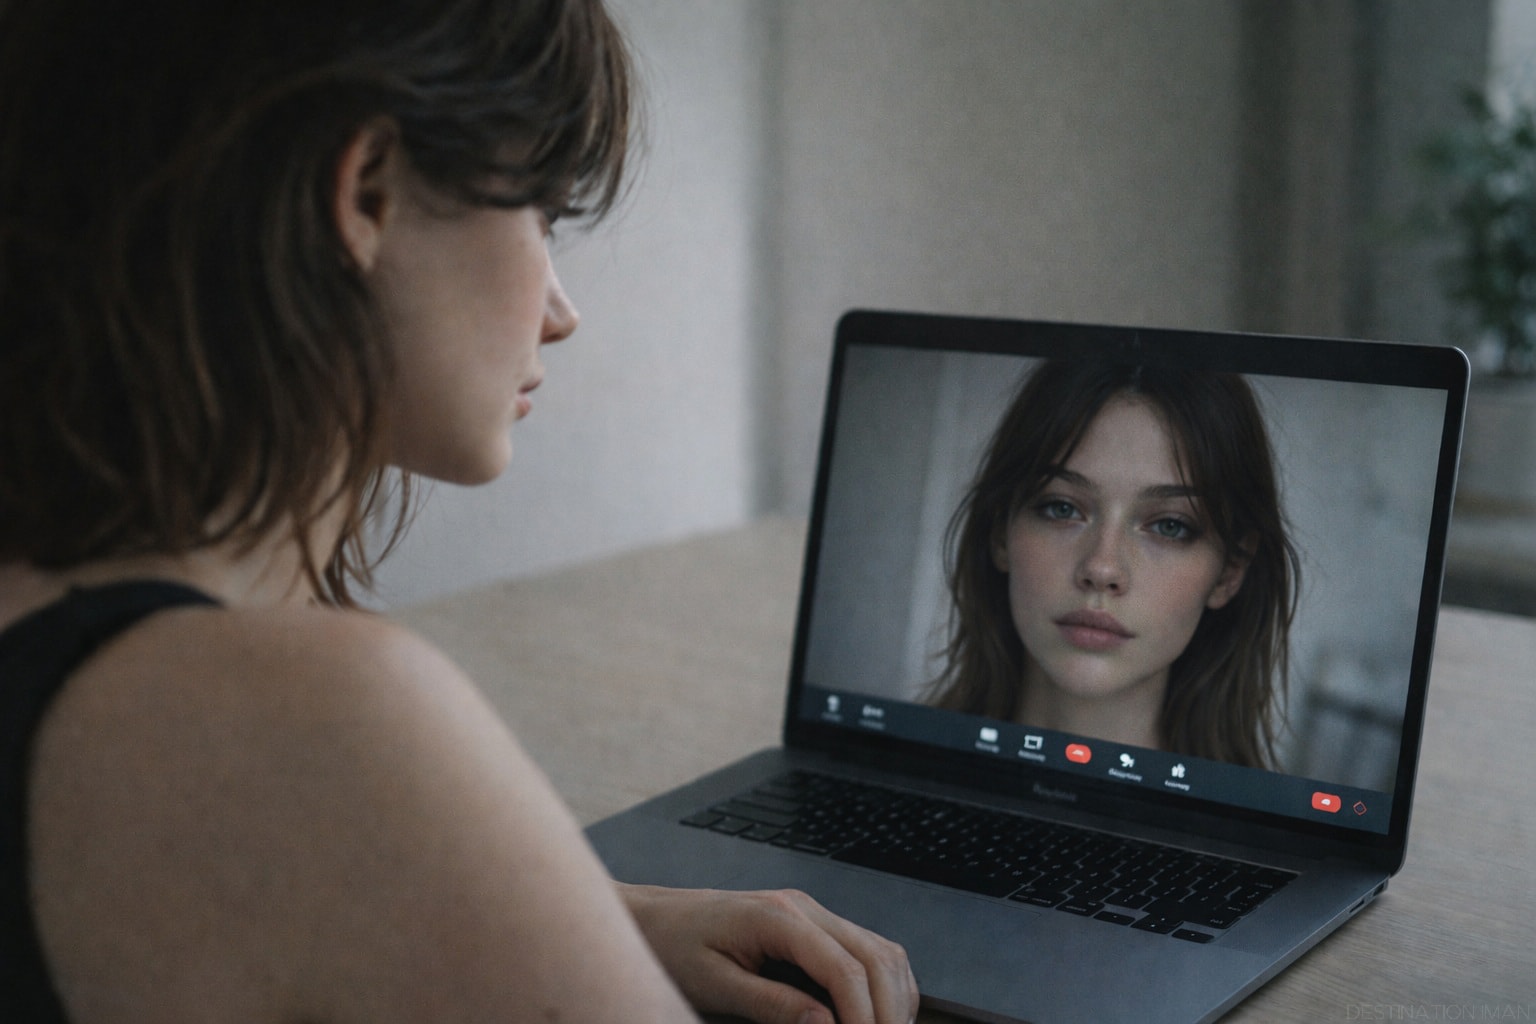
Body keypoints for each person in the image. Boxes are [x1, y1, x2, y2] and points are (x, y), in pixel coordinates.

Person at [0, 2, 919, 1022]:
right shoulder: (313, 716)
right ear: (366, 192)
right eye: (542, 213)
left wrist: (599, 919)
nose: (562, 313)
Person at [923, 358, 1301, 769]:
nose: (1101, 569)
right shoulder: (897, 769)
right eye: (1061, 508)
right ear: (1001, 532)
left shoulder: (1253, 830)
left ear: (1229, 572)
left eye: (1170, 526)